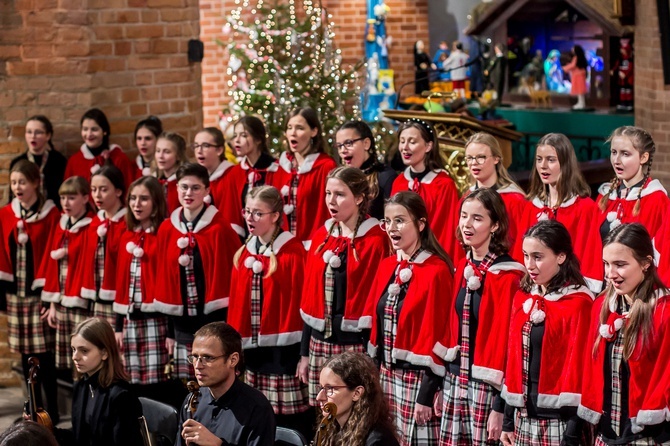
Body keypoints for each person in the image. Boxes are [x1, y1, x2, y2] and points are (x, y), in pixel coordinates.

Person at [364, 191, 454, 446]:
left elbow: (441, 336)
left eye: (400, 221)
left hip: (417, 381)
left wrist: (426, 394)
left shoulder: (436, 271)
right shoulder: (387, 265)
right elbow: (377, 329)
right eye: (388, 221)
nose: (392, 228)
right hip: (387, 378)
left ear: (421, 224)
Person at [436, 188, 524, 445]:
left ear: (495, 225)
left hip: (487, 390)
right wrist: (442, 385)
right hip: (456, 381)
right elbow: (452, 331)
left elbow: (510, 350)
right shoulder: (463, 266)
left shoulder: (507, 276)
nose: (467, 224)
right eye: (464, 216)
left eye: (477, 218)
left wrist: (501, 408)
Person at [298, 167, 388, 406]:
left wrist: (373, 356)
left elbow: (377, 302)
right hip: (320, 342)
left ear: (359, 198)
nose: (331, 201)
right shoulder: (322, 235)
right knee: (325, 416)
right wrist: (304, 353)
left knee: (356, 416)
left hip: (355, 345)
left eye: (339, 194)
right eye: (328, 193)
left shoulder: (375, 239)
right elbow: (310, 299)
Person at [501, 220, 593, 446]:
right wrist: (507, 419)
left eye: (538, 257)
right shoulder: (523, 297)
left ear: (561, 257)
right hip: (523, 417)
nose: (529, 265)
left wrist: (571, 434)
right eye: (525, 255)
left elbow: (580, 373)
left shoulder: (578, 303)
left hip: (558, 423)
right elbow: (513, 360)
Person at [228, 185, 310, 435]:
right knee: (259, 418)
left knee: (290, 423)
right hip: (254, 355)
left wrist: (303, 353)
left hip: (284, 354)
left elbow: (305, 307)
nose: (250, 219)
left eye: (257, 213)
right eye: (247, 212)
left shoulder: (292, 252)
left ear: (275, 216)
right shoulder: (245, 252)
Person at [579, 223, 670, 445]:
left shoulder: (664, 310)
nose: (610, 274)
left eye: (620, 265)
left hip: (648, 437)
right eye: (606, 264)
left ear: (646, 263)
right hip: (605, 436)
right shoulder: (601, 305)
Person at [154, 163, 241, 380]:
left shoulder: (220, 227)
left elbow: (232, 278)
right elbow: (165, 281)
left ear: (207, 191)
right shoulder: (167, 228)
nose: (188, 193)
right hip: (182, 323)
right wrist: (171, 332)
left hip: (213, 319)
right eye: (183, 187)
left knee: (214, 379)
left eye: (195, 188)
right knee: (187, 383)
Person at [0, 161, 61, 424]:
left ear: (36, 183)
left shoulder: (50, 214)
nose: (17, 188)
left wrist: (50, 294)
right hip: (16, 296)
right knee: (26, 355)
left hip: (39, 295)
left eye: (22, 182)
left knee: (45, 355)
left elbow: (53, 254)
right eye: (13, 183)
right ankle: (34, 410)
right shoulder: (6, 213)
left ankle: (53, 411)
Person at [514, 133, 603, 293]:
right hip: (534, 290)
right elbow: (520, 255)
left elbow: (589, 255)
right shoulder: (532, 206)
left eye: (551, 160)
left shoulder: (584, 207)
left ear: (566, 164)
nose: (543, 166)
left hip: (570, 292)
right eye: (539, 159)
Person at [113, 176, 170, 399]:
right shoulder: (127, 234)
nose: (137, 204)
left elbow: (169, 285)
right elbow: (121, 285)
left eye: (144, 199)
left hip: (156, 321)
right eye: (133, 198)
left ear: (156, 202)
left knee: (158, 385)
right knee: (132, 383)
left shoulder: (163, 234)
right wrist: (118, 326)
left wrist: (172, 331)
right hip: (130, 321)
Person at [176, 321, 275, 446]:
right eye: (195, 357)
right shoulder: (193, 400)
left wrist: (218, 444)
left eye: (208, 358)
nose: (197, 365)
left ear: (233, 360)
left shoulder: (257, 408)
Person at [40, 176, 94, 372]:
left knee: (85, 360)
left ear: (86, 198)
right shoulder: (61, 225)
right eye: (63, 198)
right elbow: (52, 267)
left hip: (80, 304)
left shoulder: (90, 226)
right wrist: (53, 303)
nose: (66, 203)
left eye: (71, 198)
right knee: (70, 361)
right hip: (62, 303)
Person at [391, 118, 462, 264]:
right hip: (402, 257)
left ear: (428, 146)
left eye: (412, 141)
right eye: (402, 141)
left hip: (430, 260)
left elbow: (445, 230)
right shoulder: (399, 181)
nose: (405, 147)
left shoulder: (443, 184)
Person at [69, 317, 144, 446]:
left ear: (104, 353)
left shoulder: (121, 396)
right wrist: (45, 428)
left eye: (84, 351)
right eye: (73, 349)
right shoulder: (82, 385)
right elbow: (78, 437)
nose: (75, 357)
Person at [274, 107, 338, 248]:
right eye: (289, 127)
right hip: (283, 246)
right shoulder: (281, 166)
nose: (293, 133)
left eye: (300, 128)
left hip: (315, 246)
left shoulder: (325, 166)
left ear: (314, 132)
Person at [313, 351, 400, 446]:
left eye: (330, 389)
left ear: (357, 393)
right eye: (321, 388)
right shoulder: (331, 429)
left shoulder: (377, 441)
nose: (319, 397)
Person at [597, 126, 668, 241]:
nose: (616, 160)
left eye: (625, 154)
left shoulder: (656, 199)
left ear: (643, 157)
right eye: (614, 152)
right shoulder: (605, 195)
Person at [79, 165, 127, 327]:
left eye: (104, 189)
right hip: (95, 301)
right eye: (93, 189)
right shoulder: (94, 222)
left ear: (118, 191)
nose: (97, 195)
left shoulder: (126, 224)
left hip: (119, 302)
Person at [463, 132, 526, 250]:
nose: (474, 163)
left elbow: (521, 244)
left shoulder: (514, 200)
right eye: (470, 158)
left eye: (481, 157)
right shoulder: (466, 197)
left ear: (496, 158)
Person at [227, 116, 279, 237]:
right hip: (246, 238)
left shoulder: (276, 169)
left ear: (258, 139)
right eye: (235, 136)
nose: (237, 141)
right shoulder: (236, 172)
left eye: (244, 136)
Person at [335, 121, 397, 220]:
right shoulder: (341, 178)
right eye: (339, 146)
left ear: (366, 143)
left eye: (348, 143)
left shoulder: (385, 177)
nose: (343, 150)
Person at [64, 108, 138, 190]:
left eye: (94, 129)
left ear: (104, 131)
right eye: (85, 129)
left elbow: (129, 191)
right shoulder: (74, 161)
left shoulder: (119, 158)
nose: (89, 134)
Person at [192, 127, 243, 236]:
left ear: (219, 150)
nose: (199, 151)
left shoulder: (232, 174)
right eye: (196, 146)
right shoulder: (197, 178)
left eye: (205, 146)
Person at [10, 115, 67, 209]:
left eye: (38, 132)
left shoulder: (58, 161)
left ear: (48, 136)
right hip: (25, 212)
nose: (33, 136)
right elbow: (12, 195)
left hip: (53, 212)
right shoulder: (18, 162)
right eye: (29, 132)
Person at [155, 131, 188, 214]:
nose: (160, 156)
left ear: (178, 156)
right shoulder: (156, 181)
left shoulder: (185, 183)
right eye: (158, 151)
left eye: (167, 152)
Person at [562, 45, 588, 109]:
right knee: (580, 91)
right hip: (580, 75)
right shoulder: (581, 58)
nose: (572, 50)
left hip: (577, 76)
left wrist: (564, 68)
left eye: (573, 49)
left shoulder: (576, 58)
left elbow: (573, 65)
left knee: (579, 90)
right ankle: (581, 103)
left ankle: (581, 103)